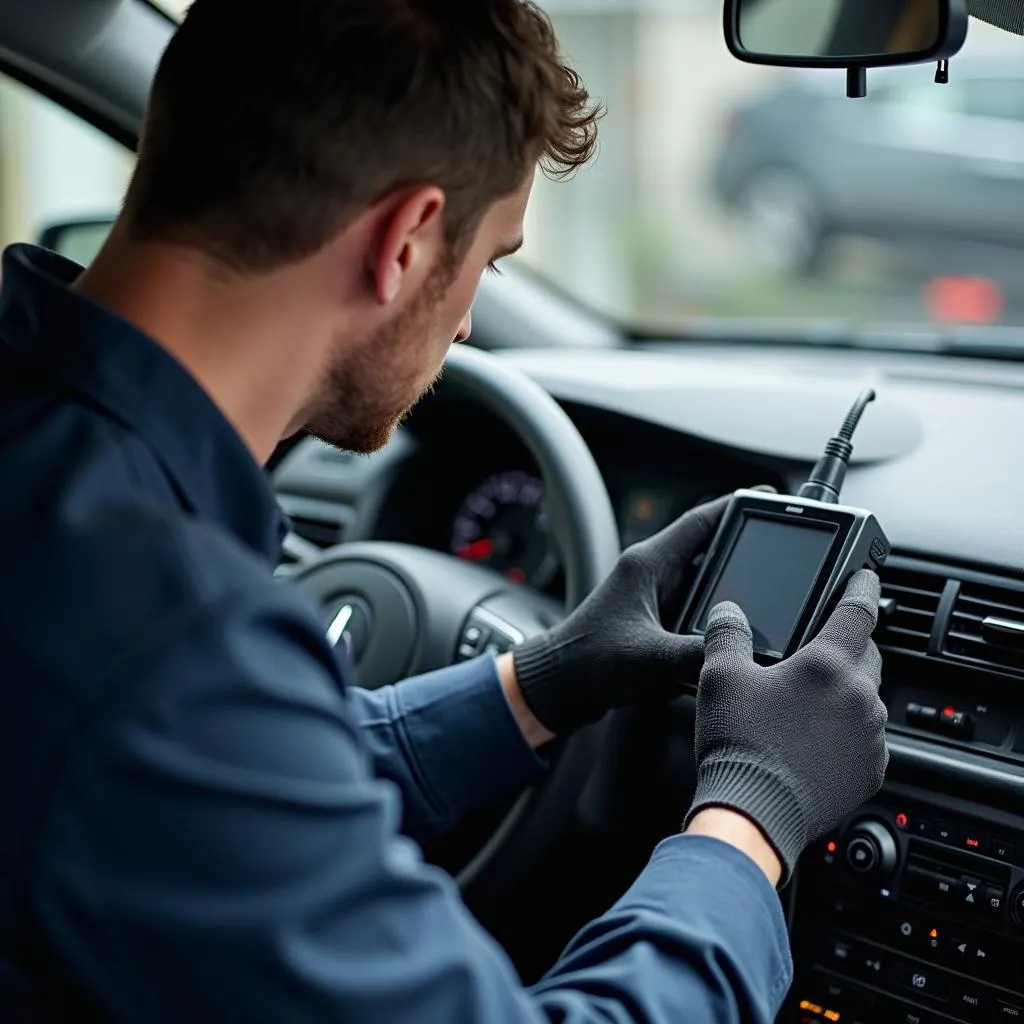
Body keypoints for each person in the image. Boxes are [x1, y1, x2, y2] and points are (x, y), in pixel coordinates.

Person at [0, 1, 888, 1021]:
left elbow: (189, 800)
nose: (469, 320)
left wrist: (542, 680)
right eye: (492, 262)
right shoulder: (165, 637)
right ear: (410, 239)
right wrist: (751, 813)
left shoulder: (60, 499)